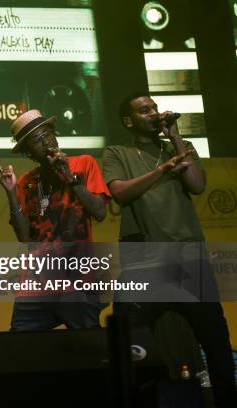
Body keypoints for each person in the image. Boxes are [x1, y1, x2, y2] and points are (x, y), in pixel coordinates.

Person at [103, 92, 236, 407]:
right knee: (131, 342)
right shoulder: (117, 152)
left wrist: (176, 138)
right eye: (144, 110)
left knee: (216, 342)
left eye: (154, 108)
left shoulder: (179, 149)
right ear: (128, 120)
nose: (153, 113)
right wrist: (162, 171)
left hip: (189, 258)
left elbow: (197, 185)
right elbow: (119, 193)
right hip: (144, 260)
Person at [0, 109, 110, 331]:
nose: (47, 142)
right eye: (37, 140)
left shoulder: (83, 163)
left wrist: (70, 178)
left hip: (77, 281)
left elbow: (100, 212)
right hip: (36, 284)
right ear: (28, 152)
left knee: (91, 351)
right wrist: (11, 193)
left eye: (48, 134)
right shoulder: (27, 182)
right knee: (19, 349)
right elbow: (25, 237)